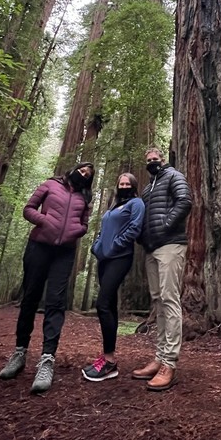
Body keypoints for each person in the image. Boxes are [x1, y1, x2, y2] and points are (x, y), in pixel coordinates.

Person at [0, 162, 95, 393]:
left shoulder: (84, 198)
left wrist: (77, 231)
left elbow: (84, 224)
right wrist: (44, 221)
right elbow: (28, 208)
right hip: (39, 247)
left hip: (65, 253)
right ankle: (19, 352)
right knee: (30, 298)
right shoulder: (50, 185)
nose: (83, 175)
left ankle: (47, 359)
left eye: (88, 175)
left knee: (55, 302)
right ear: (73, 169)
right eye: (81, 170)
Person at [132, 147, 192, 391]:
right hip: (151, 249)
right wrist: (143, 238)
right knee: (157, 301)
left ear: (163, 160)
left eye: (155, 159)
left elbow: (185, 200)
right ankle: (159, 358)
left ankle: (169, 362)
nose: (152, 162)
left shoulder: (173, 176)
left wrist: (165, 226)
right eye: (148, 160)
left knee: (169, 299)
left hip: (171, 244)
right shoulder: (147, 188)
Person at [82, 173, 145, 382]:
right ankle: (109, 359)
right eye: (121, 183)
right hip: (104, 258)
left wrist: (116, 245)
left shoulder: (136, 203)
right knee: (109, 306)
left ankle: (108, 361)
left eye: (128, 183)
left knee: (102, 304)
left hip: (120, 257)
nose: (124, 186)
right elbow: (103, 230)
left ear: (133, 186)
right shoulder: (113, 206)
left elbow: (135, 228)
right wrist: (97, 247)